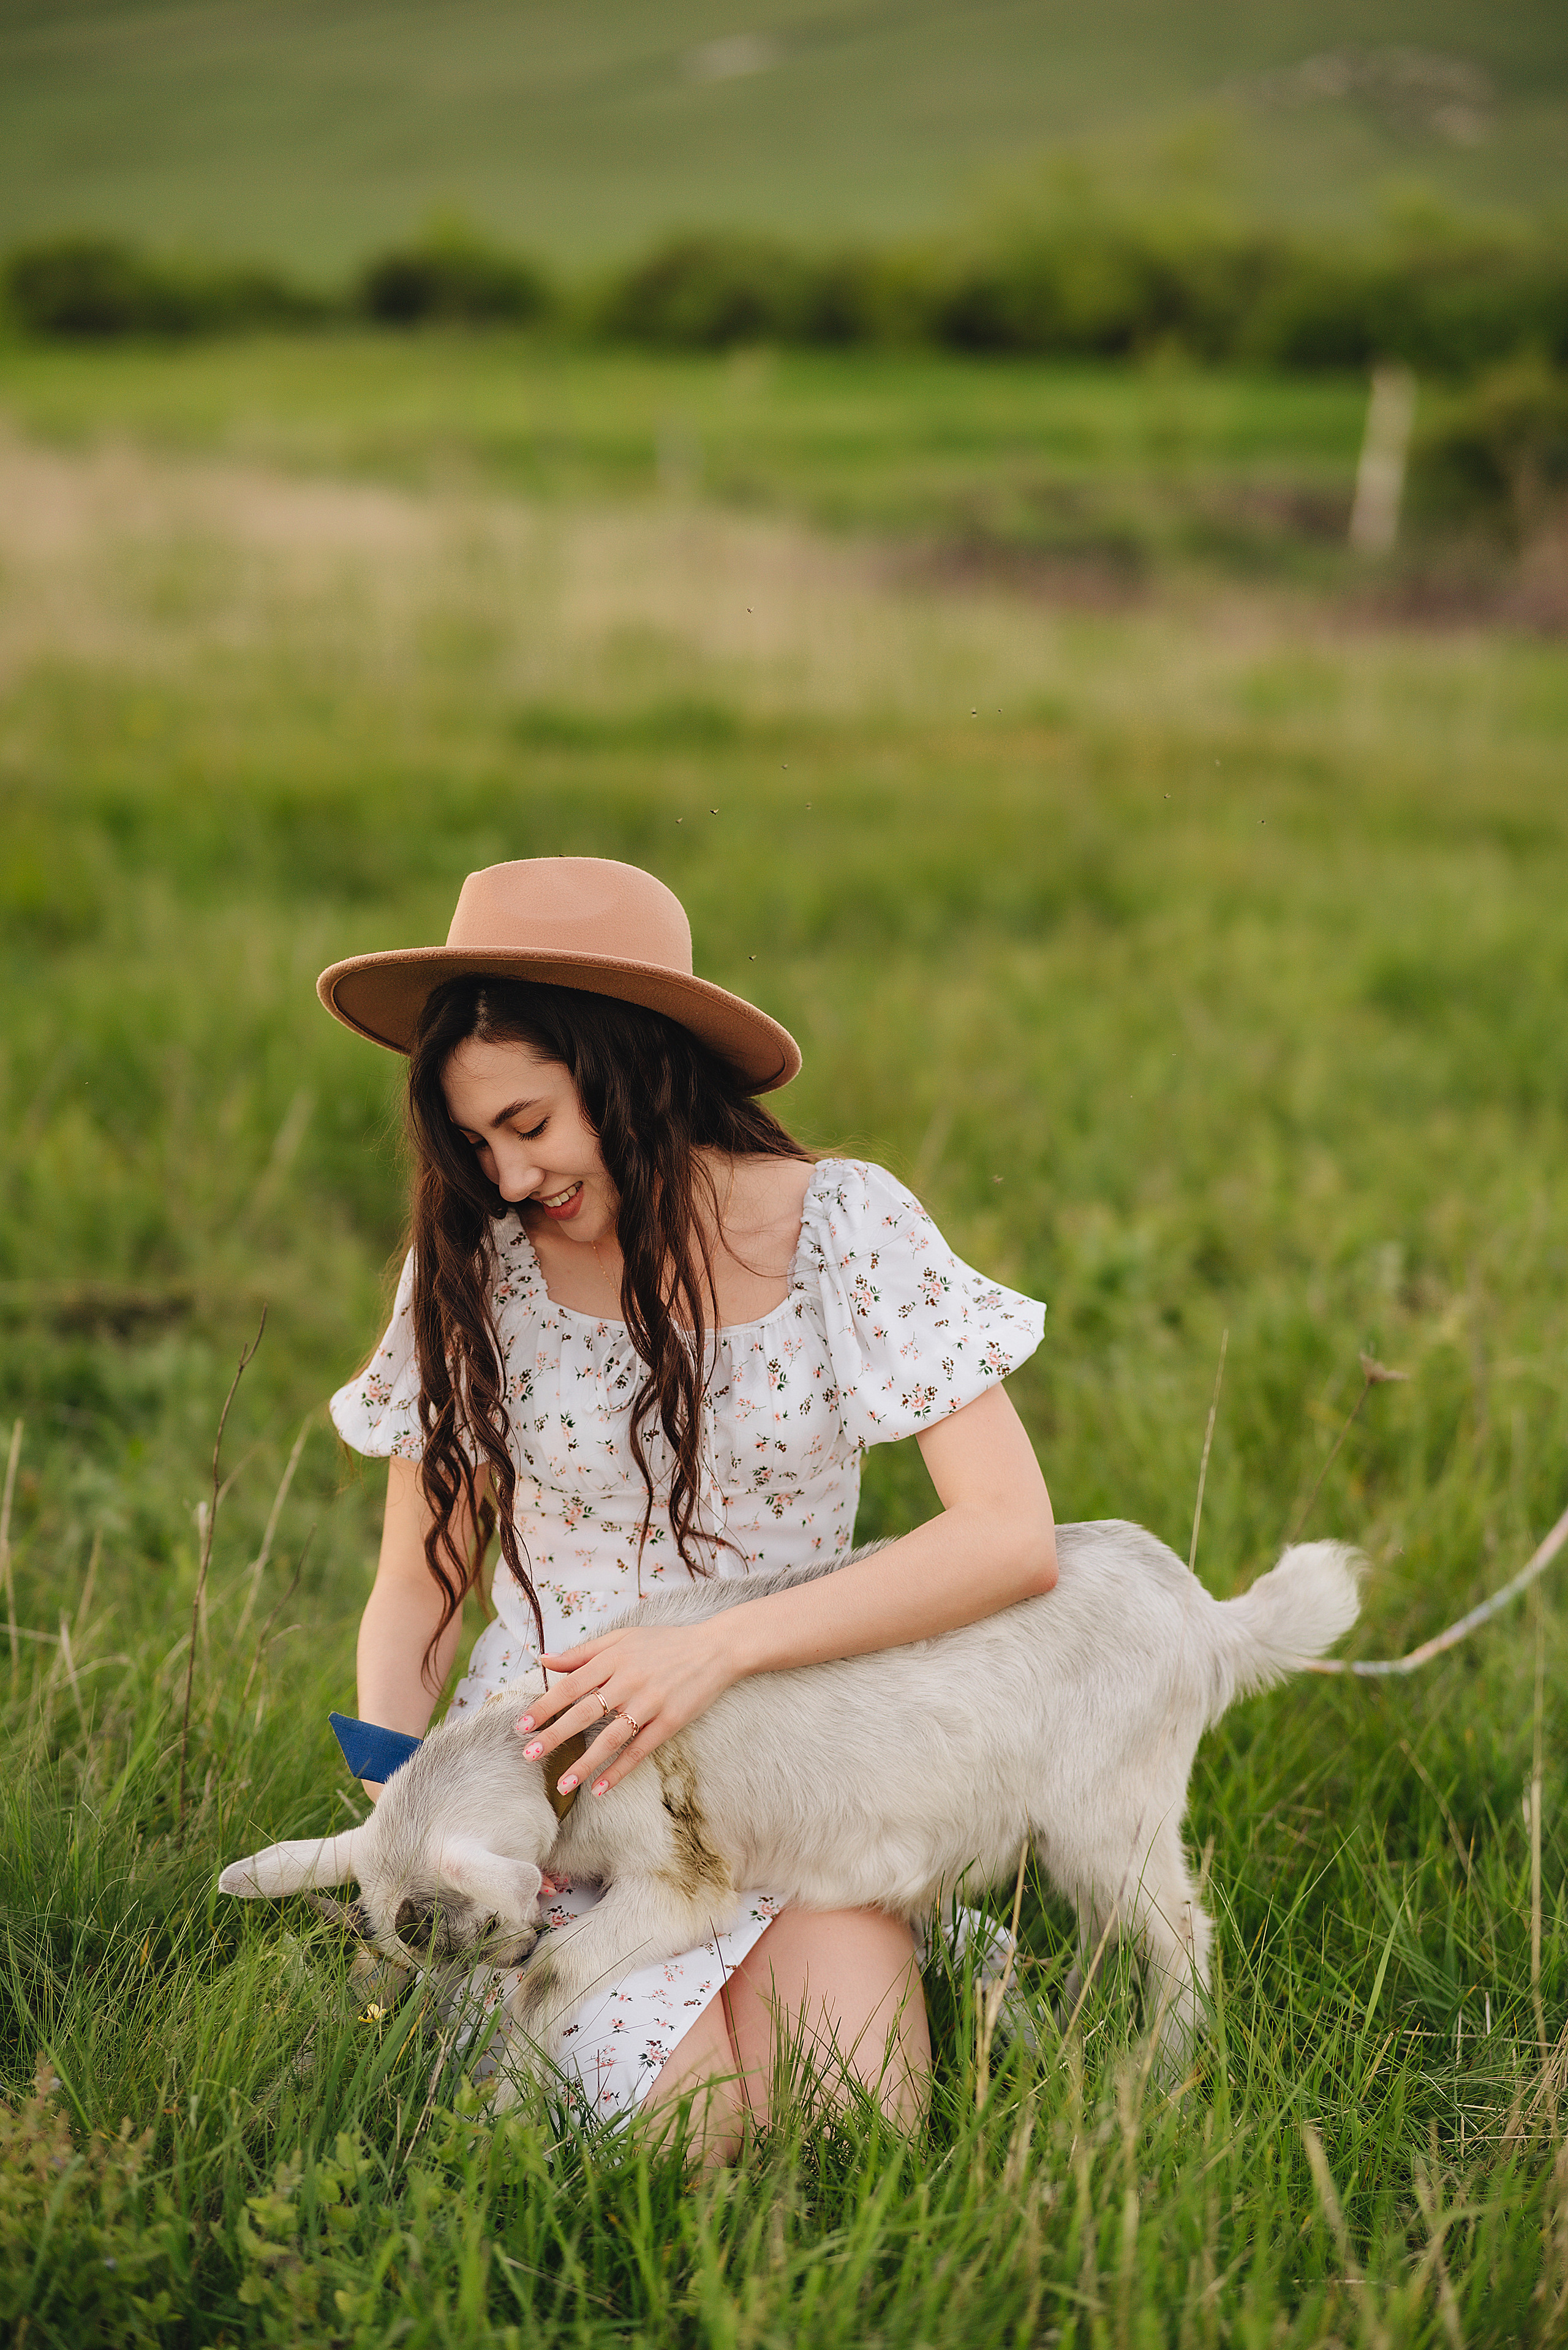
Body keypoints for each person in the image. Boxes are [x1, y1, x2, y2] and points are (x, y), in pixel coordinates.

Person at [321, 857, 1055, 2154]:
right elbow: (422, 1581)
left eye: (530, 1123)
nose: (502, 1175)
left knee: (850, 2128)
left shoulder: (842, 1224)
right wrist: (397, 1803)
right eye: (475, 1141)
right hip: (555, 1775)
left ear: (634, 1067)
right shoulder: (471, 1268)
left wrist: (712, 1645)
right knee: (678, 2133)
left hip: (799, 1748)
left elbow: (1008, 1536)